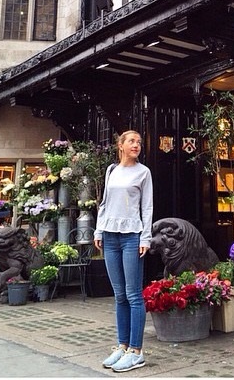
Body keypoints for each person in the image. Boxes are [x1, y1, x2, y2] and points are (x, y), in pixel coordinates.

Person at [94, 130, 153, 373]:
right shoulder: (111, 170)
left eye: (138, 142)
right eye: (131, 141)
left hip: (131, 236)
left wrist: (145, 237)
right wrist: (98, 231)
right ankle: (122, 345)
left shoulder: (143, 172)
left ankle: (136, 352)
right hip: (110, 235)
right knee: (119, 295)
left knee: (133, 294)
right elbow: (105, 203)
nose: (136, 145)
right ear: (121, 145)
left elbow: (147, 207)